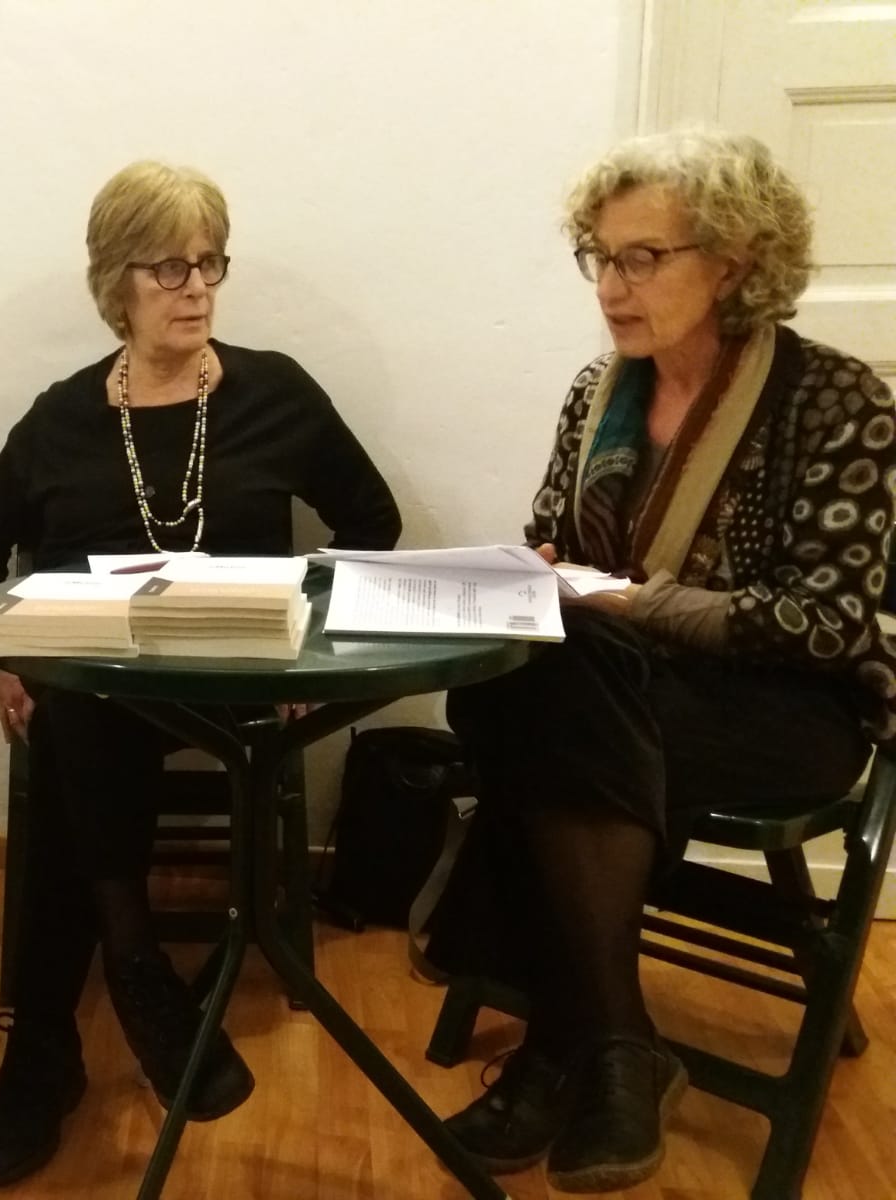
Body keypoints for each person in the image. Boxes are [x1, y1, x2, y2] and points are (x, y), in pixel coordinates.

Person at [428, 129, 896, 1194]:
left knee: (546, 717)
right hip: (611, 697)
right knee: (541, 685)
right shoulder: (599, 392)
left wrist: (635, 604)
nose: (611, 284)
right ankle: (613, 1048)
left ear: (733, 260)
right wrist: (538, 570)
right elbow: (555, 543)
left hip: (786, 713)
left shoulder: (836, 401)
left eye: (643, 257)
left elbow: (826, 625)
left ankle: (560, 1048)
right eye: (598, 255)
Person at [0, 159, 402, 1186]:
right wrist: (4, 653)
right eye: (168, 268)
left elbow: (369, 522)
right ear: (115, 281)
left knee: (74, 725)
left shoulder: (274, 392)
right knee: (78, 704)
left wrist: (312, 645)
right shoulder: (65, 413)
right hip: (100, 691)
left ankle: (53, 1039)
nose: (196, 288)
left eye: (209, 263)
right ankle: (132, 973)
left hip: (235, 685)